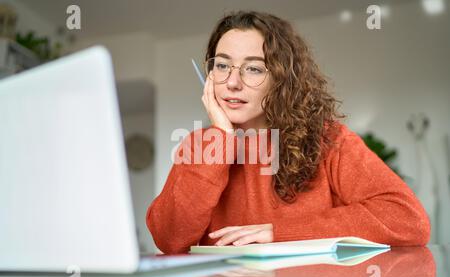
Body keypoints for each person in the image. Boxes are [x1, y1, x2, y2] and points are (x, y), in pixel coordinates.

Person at [146, 11, 430, 254]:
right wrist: (221, 136)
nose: (232, 82)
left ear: (281, 80)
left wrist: (280, 233)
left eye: (254, 69)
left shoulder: (329, 140)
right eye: (222, 65)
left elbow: (407, 219)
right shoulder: (200, 144)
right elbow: (169, 239)